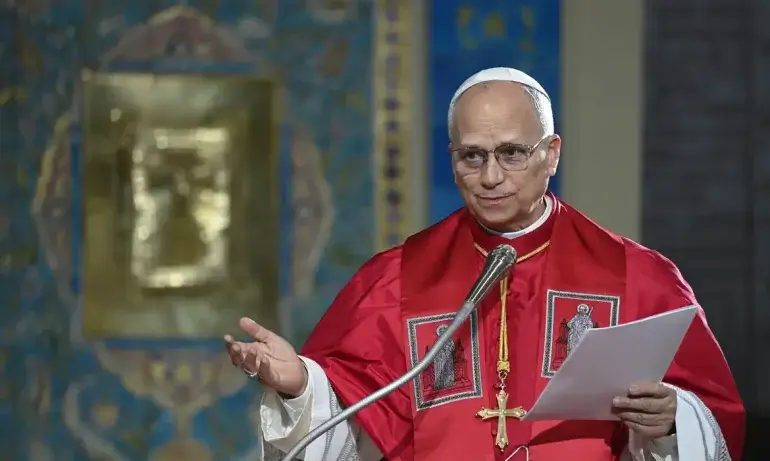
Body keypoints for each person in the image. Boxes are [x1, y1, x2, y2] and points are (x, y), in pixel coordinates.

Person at [225, 68, 745, 461]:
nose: (491, 177)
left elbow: (713, 416)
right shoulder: (394, 281)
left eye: (512, 153)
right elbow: (352, 423)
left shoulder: (637, 277)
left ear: (552, 154)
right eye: (471, 156)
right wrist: (301, 386)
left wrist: (673, 420)